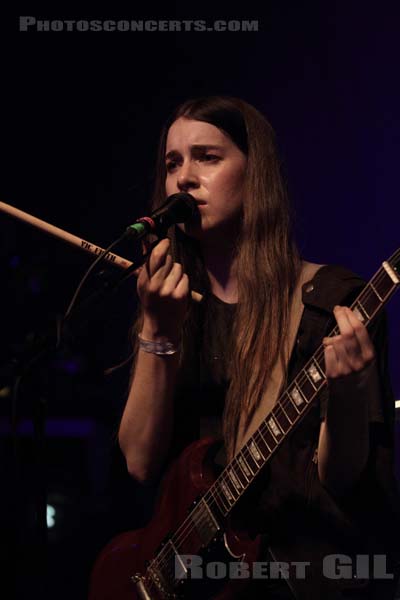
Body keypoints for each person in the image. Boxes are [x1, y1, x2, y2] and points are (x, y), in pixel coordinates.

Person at [118, 96, 400, 599]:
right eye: (172, 163)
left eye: (207, 157)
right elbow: (139, 462)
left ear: (257, 175)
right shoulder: (170, 302)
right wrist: (159, 332)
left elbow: (342, 481)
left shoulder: (331, 302)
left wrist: (351, 391)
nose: (183, 178)